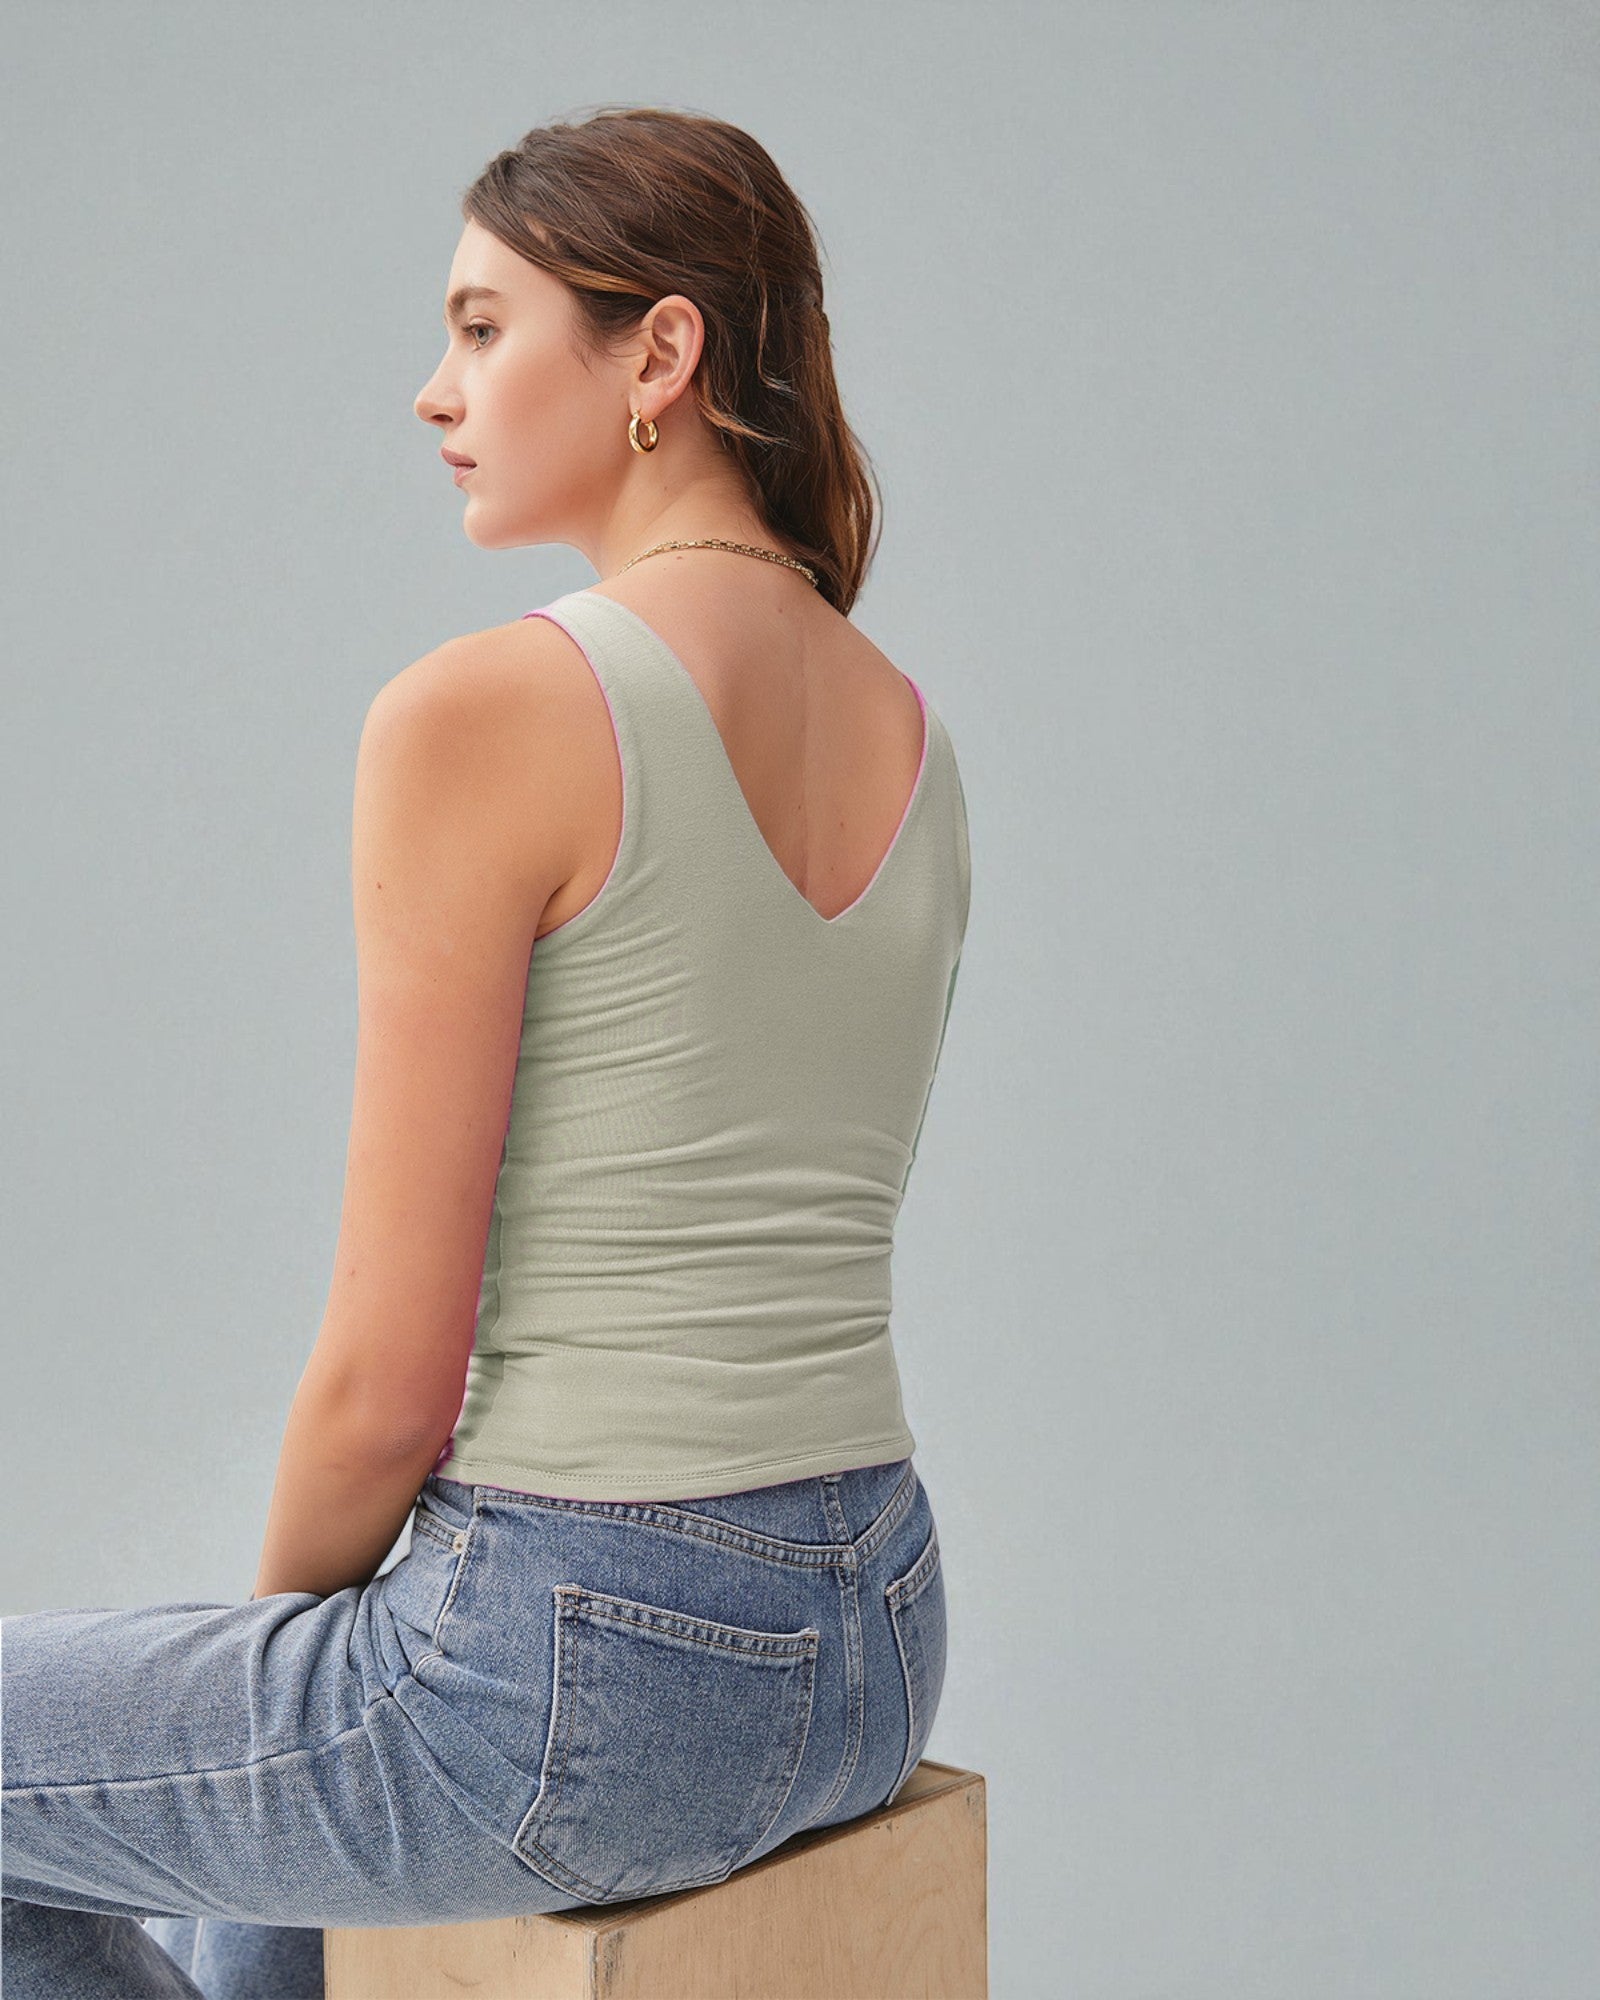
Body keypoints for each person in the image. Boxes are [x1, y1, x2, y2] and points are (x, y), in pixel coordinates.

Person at [1, 105, 970, 1999]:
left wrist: (265, 1666)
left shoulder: (489, 711)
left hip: (583, 1675)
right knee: (255, 1877)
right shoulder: (917, 738)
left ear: (659, 357)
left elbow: (386, 1388)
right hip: (881, 1626)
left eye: (479, 326)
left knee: (230, 1747)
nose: (432, 391)